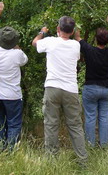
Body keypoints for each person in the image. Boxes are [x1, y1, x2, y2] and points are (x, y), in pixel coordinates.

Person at [32, 16, 88, 164]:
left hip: (52, 87)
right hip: (70, 89)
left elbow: (35, 43)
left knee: (51, 124)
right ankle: (82, 160)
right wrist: (77, 36)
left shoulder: (50, 41)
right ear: (73, 31)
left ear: (58, 29)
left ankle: (52, 160)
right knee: (75, 125)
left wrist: (42, 32)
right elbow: (76, 47)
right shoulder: (76, 46)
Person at [0, 2, 28, 151]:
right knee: (14, 124)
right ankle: (11, 152)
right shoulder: (18, 54)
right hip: (14, 96)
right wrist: (17, 48)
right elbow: (25, 61)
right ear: (14, 41)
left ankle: (0, 150)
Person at [74, 16, 108, 148]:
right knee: (104, 117)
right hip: (107, 89)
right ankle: (104, 145)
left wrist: (76, 24)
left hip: (91, 88)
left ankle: (90, 145)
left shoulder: (89, 50)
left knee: (90, 117)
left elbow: (77, 38)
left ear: (95, 39)